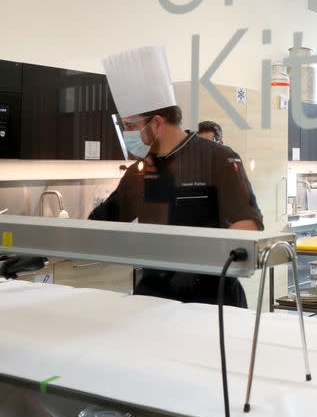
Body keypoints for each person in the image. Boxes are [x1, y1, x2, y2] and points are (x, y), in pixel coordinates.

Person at [89, 46, 263, 308]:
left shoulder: (219, 158)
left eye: (131, 126)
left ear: (157, 123)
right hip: (153, 297)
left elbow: (247, 227)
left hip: (212, 299)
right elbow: (101, 225)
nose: (127, 135)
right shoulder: (141, 171)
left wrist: (197, 264)